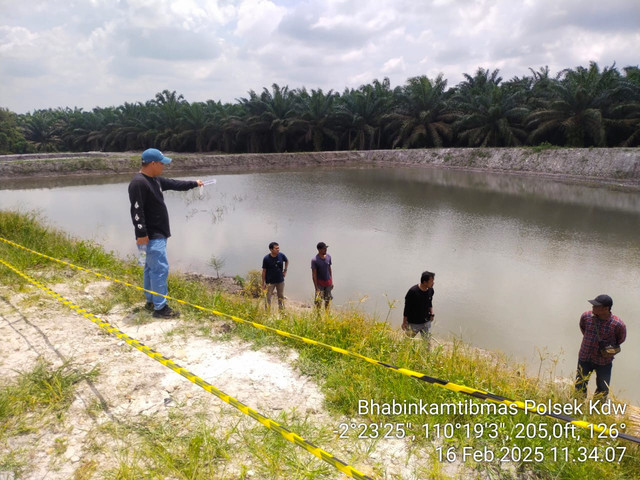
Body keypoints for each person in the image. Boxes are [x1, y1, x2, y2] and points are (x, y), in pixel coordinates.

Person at [128, 148, 203, 318]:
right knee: (160, 269)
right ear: (153, 163)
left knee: (150, 268)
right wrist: (141, 234)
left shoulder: (155, 180)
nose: (164, 167)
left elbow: (175, 184)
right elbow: (136, 211)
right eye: (162, 163)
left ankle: (151, 300)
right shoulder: (139, 183)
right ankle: (160, 308)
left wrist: (194, 183)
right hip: (151, 236)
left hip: (156, 234)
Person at [575, 294, 626, 400]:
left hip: (604, 361)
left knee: (602, 389)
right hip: (585, 357)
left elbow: (620, 340)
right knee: (580, 385)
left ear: (606, 309)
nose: (592, 308)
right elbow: (583, 329)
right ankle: (577, 408)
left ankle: (596, 412)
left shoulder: (618, 324)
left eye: (596, 306)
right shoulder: (586, 316)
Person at [402, 271, 436, 338]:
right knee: (407, 341)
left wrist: (432, 313)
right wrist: (404, 322)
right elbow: (407, 308)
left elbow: (429, 302)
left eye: (433, 281)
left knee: (427, 342)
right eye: (431, 281)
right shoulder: (413, 291)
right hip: (413, 323)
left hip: (426, 322)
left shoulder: (430, 290)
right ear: (425, 282)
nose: (433, 283)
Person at [261, 242, 289, 311]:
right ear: (271, 249)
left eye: (278, 248)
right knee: (268, 298)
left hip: (280, 281)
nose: (278, 249)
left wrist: (285, 270)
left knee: (281, 297)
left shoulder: (281, 255)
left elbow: (287, 260)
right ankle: (267, 313)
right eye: (276, 248)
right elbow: (264, 271)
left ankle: (282, 312)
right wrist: (263, 283)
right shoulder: (266, 258)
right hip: (270, 282)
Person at [311, 242, 333, 311]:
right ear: (319, 250)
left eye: (326, 248)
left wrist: (331, 281)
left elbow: (329, 269)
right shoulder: (315, 260)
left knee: (327, 300)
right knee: (318, 302)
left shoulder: (328, 257)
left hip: (328, 283)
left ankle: (327, 315)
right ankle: (318, 316)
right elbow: (314, 274)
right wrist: (316, 287)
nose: (326, 250)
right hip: (320, 284)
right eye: (324, 249)